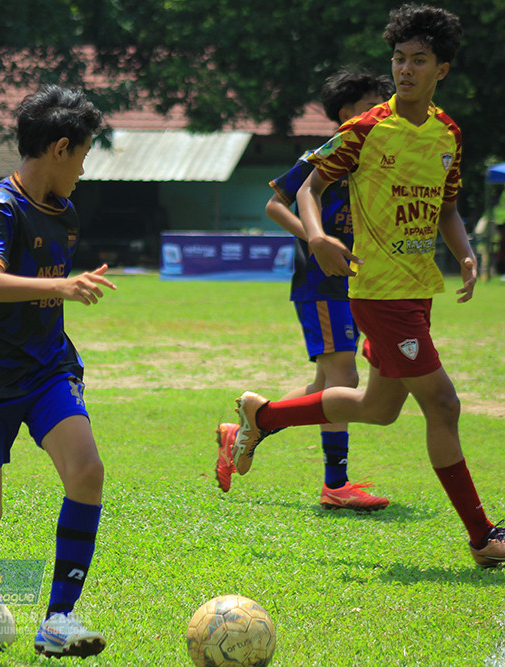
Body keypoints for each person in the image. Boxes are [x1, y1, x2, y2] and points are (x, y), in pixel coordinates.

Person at [229, 4, 503, 568]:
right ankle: (484, 539)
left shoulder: (448, 133)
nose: (405, 69)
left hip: (417, 289)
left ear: (441, 70)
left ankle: (264, 417)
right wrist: (318, 238)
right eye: (399, 59)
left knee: (378, 407)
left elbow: (448, 208)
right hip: (377, 292)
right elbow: (305, 188)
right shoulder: (367, 128)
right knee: (444, 405)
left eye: (418, 60)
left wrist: (466, 252)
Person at [0, 85, 115, 657]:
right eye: (84, 156)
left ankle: (58, 619)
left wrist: (61, 288)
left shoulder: (64, 214)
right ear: (60, 148)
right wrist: (62, 284)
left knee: (87, 472)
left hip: (48, 369)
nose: (84, 170)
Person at [214, 69, 395, 511]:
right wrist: (316, 241)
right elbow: (275, 203)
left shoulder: (381, 158)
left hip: (357, 284)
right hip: (322, 283)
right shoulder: (327, 153)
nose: (383, 113)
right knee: (345, 378)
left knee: (324, 383)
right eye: (374, 104)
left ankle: (245, 429)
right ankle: (336, 483)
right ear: (347, 113)